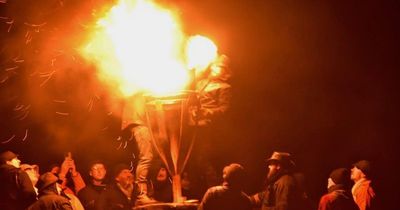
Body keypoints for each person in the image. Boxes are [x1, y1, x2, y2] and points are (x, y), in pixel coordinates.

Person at [120, 93, 155, 204]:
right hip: (139, 120)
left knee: (150, 157)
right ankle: (141, 194)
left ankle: (144, 193)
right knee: (146, 157)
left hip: (141, 120)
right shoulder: (138, 84)